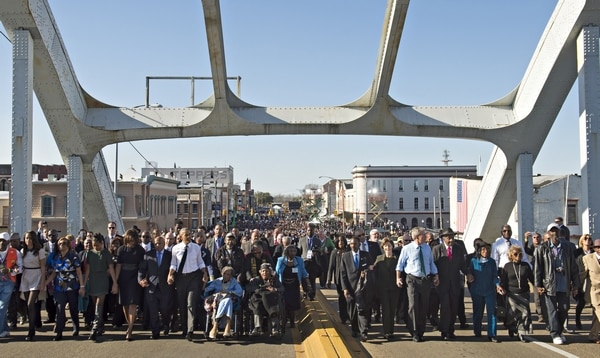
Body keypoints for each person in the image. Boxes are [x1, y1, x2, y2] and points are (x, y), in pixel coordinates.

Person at [534, 230, 579, 345]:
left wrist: (576, 284)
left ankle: (559, 331)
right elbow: (538, 268)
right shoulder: (542, 248)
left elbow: (573, 268)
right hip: (549, 284)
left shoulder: (567, 249)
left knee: (564, 308)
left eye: (556, 236)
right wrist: (538, 285)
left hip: (564, 283)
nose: (554, 238)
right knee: (552, 310)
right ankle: (555, 334)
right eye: (552, 236)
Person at [396, 227, 439, 343]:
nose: (425, 237)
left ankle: (421, 331)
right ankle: (414, 331)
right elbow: (400, 265)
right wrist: (398, 278)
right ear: (416, 237)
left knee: (424, 305)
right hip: (412, 280)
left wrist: (436, 275)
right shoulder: (407, 249)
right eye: (423, 235)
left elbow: (431, 263)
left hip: (425, 280)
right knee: (413, 305)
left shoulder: (427, 248)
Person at [167, 228, 208, 341]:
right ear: (180, 236)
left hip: (194, 278)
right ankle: (184, 328)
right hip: (181, 278)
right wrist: (170, 275)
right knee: (182, 304)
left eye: (190, 234)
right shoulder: (176, 248)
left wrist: (204, 272)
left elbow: (200, 262)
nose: (189, 236)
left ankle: (190, 330)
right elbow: (173, 264)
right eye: (186, 234)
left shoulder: (196, 248)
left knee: (191, 303)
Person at [44, 236, 85, 341]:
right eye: (60, 244)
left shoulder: (73, 256)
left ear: (68, 245)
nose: (61, 245)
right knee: (60, 309)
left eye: (64, 244)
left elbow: (79, 272)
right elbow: (54, 272)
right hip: (59, 287)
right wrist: (45, 283)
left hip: (72, 286)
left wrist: (82, 286)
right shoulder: (56, 257)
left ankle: (76, 328)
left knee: (73, 308)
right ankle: (59, 332)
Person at [432, 228, 468, 341]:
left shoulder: (458, 249)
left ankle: (450, 329)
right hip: (442, 283)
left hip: (455, 283)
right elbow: (433, 264)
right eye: (448, 237)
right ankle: (444, 330)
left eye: (452, 237)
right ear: (443, 238)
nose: (451, 239)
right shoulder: (437, 249)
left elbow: (463, 264)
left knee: (454, 307)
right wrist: (435, 276)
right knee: (445, 307)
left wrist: (469, 274)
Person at [138, 235, 175, 340]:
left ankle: (166, 325)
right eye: (156, 243)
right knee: (153, 310)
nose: (157, 245)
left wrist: (172, 278)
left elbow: (173, 269)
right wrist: (141, 280)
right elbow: (141, 269)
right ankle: (155, 331)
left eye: (160, 243)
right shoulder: (148, 255)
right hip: (151, 286)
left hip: (165, 286)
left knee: (165, 309)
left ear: (164, 244)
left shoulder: (170, 255)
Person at [340, 236, 374, 342]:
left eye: (355, 243)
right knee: (352, 311)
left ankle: (363, 332)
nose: (353, 245)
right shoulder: (345, 256)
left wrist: (367, 271)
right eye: (351, 244)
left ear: (359, 244)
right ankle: (355, 330)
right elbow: (343, 274)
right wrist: (345, 289)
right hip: (350, 288)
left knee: (362, 310)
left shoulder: (366, 255)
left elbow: (371, 268)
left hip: (363, 288)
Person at [85, 233, 118, 342]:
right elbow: (88, 270)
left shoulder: (106, 254)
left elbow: (111, 269)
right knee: (96, 305)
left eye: (98, 245)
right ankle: (100, 325)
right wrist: (83, 284)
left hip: (103, 280)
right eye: (94, 245)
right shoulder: (89, 254)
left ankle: (94, 329)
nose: (96, 247)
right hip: (93, 280)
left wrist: (114, 283)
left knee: (99, 304)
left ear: (102, 243)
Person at [468, 241, 502, 343]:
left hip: (490, 291)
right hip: (477, 291)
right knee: (478, 312)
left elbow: (494, 276)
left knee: (492, 313)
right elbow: (469, 273)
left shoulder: (491, 262)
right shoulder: (473, 261)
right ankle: (477, 331)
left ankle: (492, 334)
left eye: (487, 249)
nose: (486, 251)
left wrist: (498, 285)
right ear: (479, 251)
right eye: (483, 249)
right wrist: (469, 276)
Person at [115, 229, 145, 341]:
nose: (132, 242)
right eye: (130, 240)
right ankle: (129, 324)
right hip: (123, 278)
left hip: (135, 278)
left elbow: (143, 266)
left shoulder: (140, 250)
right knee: (125, 304)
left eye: (134, 240)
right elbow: (118, 266)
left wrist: (141, 278)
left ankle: (130, 329)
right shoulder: (121, 250)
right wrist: (115, 281)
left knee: (133, 304)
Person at [499, 245, 534, 342]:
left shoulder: (525, 266)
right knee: (512, 313)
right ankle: (511, 327)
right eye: (515, 254)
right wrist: (502, 289)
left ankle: (521, 333)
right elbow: (504, 281)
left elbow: (532, 278)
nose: (518, 256)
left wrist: (539, 286)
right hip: (511, 294)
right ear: (511, 255)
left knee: (525, 313)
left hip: (524, 293)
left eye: (520, 254)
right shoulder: (507, 266)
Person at [19, 231, 47, 341]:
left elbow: (43, 267)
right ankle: (31, 327)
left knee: (31, 304)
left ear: (34, 239)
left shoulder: (40, 251)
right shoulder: (22, 251)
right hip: (26, 276)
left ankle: (31, 329)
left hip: (36, 276)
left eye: (30, 238)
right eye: (26, 238)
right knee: (27, 304)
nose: (28, 240)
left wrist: (43, 282)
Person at [204, 266, 243, 339]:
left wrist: (229, 291)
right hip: (217, 300)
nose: (226, 276)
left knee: (228, 300)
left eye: (228, 274)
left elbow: (240, 291)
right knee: (227, 301)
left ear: (231, 276)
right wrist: (217, 292)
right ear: (222, 273)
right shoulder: (217, 281)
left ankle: (215, 325)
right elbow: (206, 290)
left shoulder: (234, 282)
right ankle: (227, 326)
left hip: (230, 299)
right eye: (224, 273)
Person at [275, 245, 309, 328]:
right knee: (284, 303)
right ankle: (284, 319)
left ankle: (292, 321)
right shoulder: (280, 260)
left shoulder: (299, 260)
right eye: (291, 251)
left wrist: (308, 283)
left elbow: (304, 272)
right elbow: (276, 272)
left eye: (294, 251)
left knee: (293, 305)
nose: (293, 253)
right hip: (284, 285)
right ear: (287, 252)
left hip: (294, 286)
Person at [247, 263, 284, 337]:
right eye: (263, 271)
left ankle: (275, 328)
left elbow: (282, 288)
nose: (265, 273)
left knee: (274, 307)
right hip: (258, 300)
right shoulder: (256, 280)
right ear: (260, 272)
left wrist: (275, 289)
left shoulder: (275, 280)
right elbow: (248, 288)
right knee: (257, 307)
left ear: (270, 272)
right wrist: (257, 289)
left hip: (271, 301)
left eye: (267, 271)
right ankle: (257, 328)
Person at [373, 237, 400, 340]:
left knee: (392, 310)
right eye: (385, 246)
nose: (388, 247)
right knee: (385, 309)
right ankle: (386, 331)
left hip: (394, 288)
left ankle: (391, 331)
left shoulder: (397, 259)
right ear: (383, 248)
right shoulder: (379, 258)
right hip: (383, 288)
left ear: (392, 246)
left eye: (389, 245)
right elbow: (374, 271)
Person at [0, 232, 23, 338]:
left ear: (8, 242)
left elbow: (20, 268)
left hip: (8, 282)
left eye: (3, 241)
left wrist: (10, 270)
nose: (1, 243)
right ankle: (5, 329)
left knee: (2, 306)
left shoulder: (15, 252)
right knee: (2, 308)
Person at [327, 234, 349, 323]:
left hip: (348, 279)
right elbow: (331, 266)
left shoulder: (348, 251)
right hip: (339, 279)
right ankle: (343, 317)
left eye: (342, 241)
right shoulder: (334, 252)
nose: (341, 242)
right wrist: (329, 279)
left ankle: (349, 316)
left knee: (349, 298)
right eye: (339, 241)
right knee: (341, 298)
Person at [297, 223, 322, 301]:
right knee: (304, 279)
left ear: (314, 231)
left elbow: (320, 251)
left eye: (311, 230)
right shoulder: (301, 240)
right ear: (306, 231)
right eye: (308, 230)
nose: (310, 232)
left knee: (312, 279)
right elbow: (299, 251)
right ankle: (305, 292)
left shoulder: (317, 241)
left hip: (313, 263)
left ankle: (312, 294)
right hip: (304, 262)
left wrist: (316, 252)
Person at [582, 238, 600, 344]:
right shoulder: (588, 258)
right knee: (598, 311)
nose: (599, 249)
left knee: (596, 315)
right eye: (597, 247)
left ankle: (593, 335)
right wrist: (576, 287)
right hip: (595, 290)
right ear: (594, 248)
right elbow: (582, 274)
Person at [575, 234, 594, 330]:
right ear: (582, 241)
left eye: (589, 239)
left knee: (594, 303)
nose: (587, 240)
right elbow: (574, 266)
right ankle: (577, 319)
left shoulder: (594, 252)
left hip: (591, 280)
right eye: (585, 239)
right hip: (580, 280)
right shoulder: (577, 252)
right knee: (581, 302)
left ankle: (595, 324)